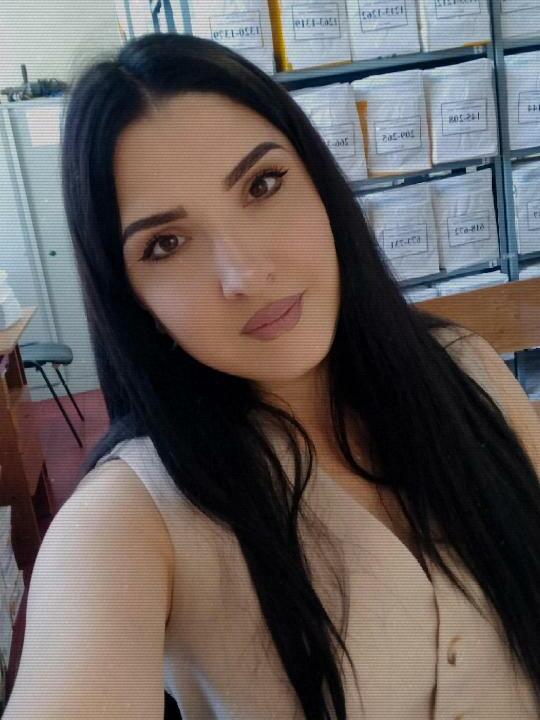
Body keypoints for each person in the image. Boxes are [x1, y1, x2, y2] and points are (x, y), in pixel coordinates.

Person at [4, 32, 540, 720]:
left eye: (262, 184)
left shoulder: (465, 369)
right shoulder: (130, 519)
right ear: (134, 300)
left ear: (319, 185)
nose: (246, 273)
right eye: (166, 244)